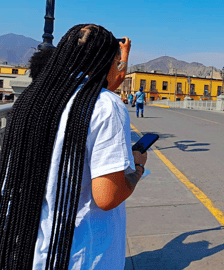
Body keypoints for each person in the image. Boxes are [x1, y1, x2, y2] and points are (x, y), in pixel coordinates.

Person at [0, 24, 148, 269]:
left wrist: (120, 58)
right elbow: (107, 197)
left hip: (32, 248)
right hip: (82, 253)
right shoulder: (106, 106)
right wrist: (138, 168)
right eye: (115, 61)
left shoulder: (32, 100)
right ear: (106, 62)